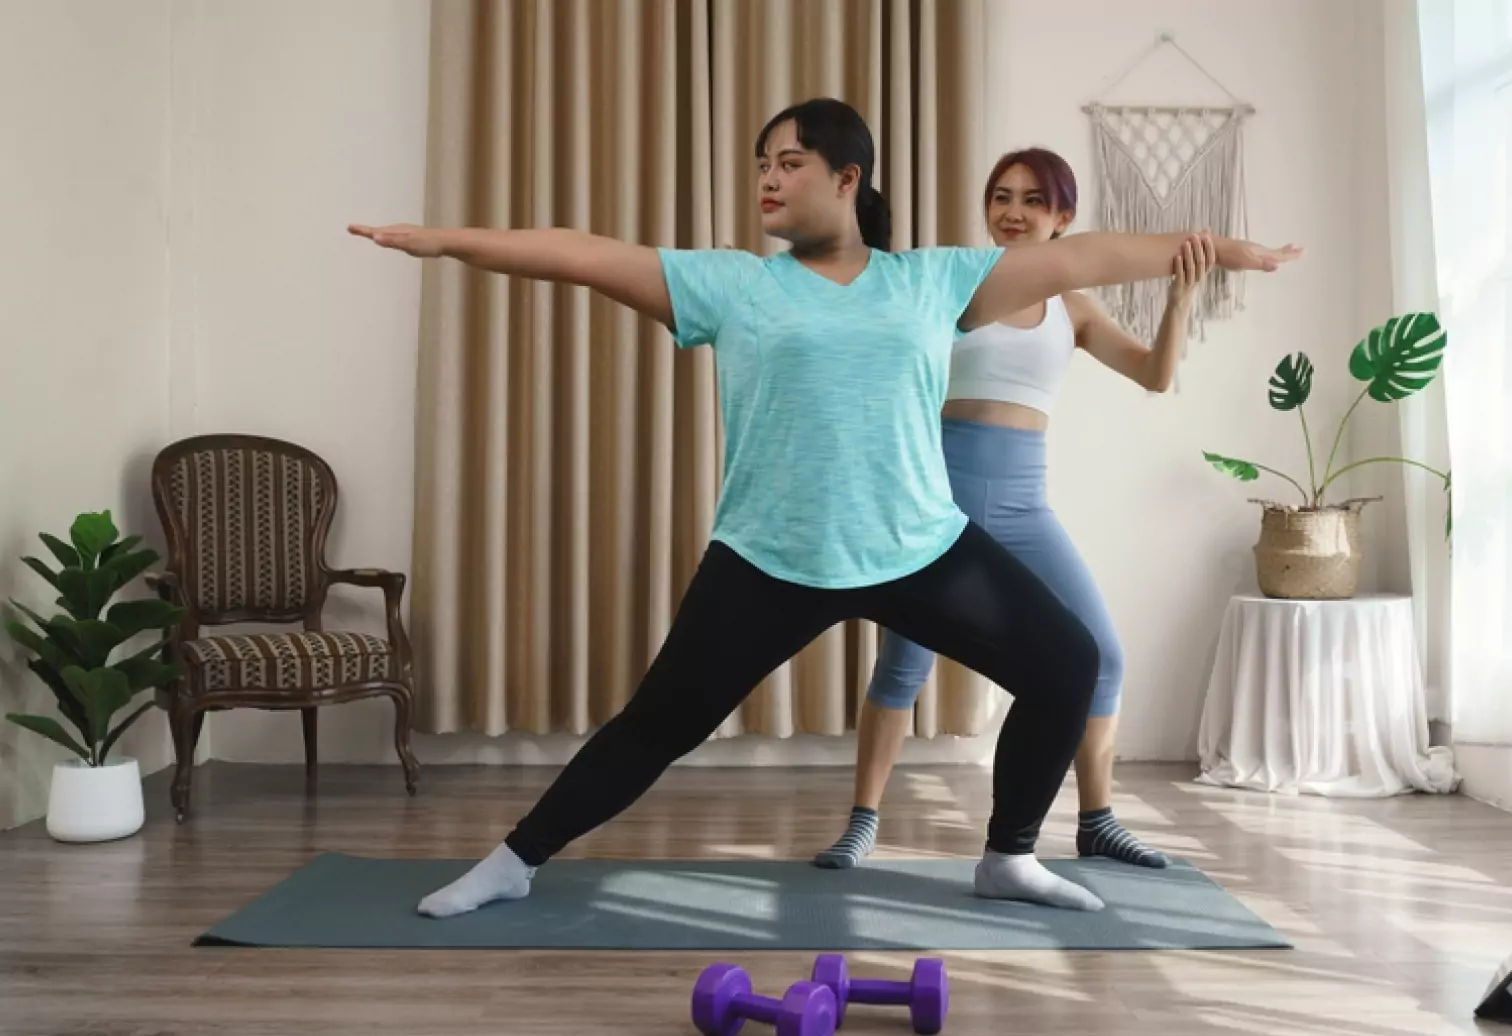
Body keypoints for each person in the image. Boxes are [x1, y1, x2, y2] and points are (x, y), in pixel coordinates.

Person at [349, 97, 1298, 918]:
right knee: (656, 726)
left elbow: (1080, 258)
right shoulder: (733, 285)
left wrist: (1212, 250)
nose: (767, 178)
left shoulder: (932, 281)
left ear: (847, 179)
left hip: (918, 542)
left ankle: (1009, 855)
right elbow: (584, 255)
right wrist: (446, 241)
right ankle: (514, 862)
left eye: (788, 162)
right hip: (772, 552)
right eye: (761, 163)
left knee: (1070, 662)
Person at [814, 148, 1209, 873]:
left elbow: (1154, 375)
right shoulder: (954, 288)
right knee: (904, 664)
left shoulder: (1076, 309)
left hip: (1025, 504)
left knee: (1103, 657)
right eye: (1001, 196)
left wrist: (1178, 301)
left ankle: (1098, 821)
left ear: (1064, 218)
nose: (1014, 212)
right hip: (936, 499)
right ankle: (862, 821)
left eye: (1033, 200)